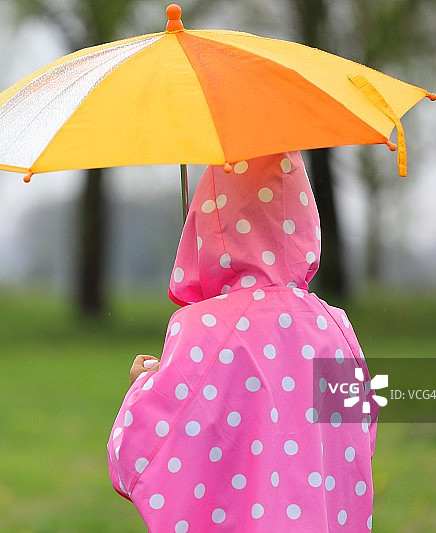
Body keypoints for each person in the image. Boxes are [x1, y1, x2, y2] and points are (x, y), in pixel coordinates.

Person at [106, 152, 379, 531]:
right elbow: (356, 440)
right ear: (303, 223)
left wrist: (144, 385)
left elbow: (138, 453)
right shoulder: (336, 328)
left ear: (207, 224)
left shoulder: (198, 330)